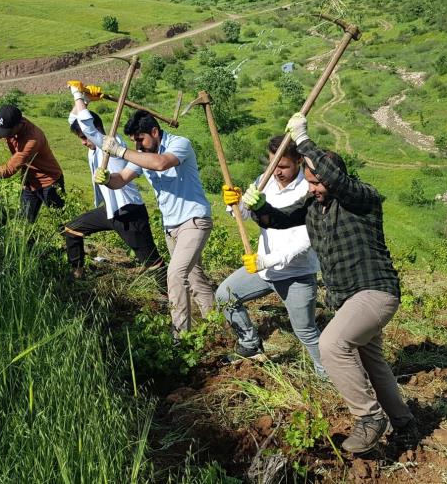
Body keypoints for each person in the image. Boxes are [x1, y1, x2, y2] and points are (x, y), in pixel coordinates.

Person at [235, 113, 415, 454]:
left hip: (375, 291)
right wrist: (258, 209)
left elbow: (335, 178)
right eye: (310, 182)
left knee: (332, 344)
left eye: (319, 183)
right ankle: (404, 422)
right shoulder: (314, 208)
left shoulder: (362, 198)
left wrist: (304, 141)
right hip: (349, 299)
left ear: (336, 179)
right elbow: (281, 219)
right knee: (372, 361)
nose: (315, 188)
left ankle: (369, 418)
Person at [97, 110, 213, 340]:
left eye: (140, 139)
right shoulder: (143, 154)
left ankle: (180, 336)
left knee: (176, 273)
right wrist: (108, 179)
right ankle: (216, 323)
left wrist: (121, 151)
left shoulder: (180, 144)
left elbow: (161, 164)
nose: (138, 145)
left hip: (195, 220)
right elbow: (121, 179)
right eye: (133, 142)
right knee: (194, 278)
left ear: (155, 132)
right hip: (172, 228)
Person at [215, 135, 325, 379]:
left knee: (305, 330)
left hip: (297, 273)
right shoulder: (264, 182)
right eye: (272, 165)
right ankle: (250, 344)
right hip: (263, 270)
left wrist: (270, 260)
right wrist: (236, 203)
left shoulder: (309, 189)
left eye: (283, 166)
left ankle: (326, 373)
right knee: (225, 295)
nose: (277, 172)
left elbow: (306, 242)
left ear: (298, 161)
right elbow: (244, 214)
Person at [63, 82, 163, 280]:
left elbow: (87, 127)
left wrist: (76, 94)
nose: (84, 142)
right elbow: (74, 119)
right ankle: (77, 274)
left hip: (129, 212)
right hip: (110, 209)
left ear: (96, 130)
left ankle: (172, 297)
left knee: (153, 263)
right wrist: (85, 100)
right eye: (81, 138)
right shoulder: (93, 146)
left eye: (84, 137)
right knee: (72, 229)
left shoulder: (110, 143)